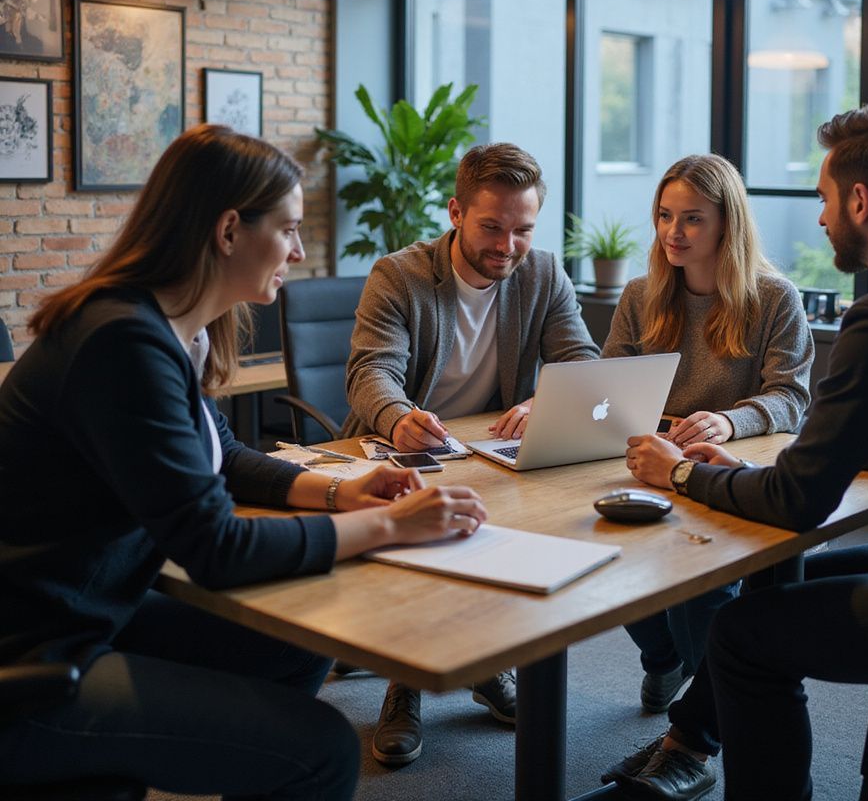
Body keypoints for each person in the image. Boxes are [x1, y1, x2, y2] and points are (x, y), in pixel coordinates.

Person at [0, 125, 487, 799]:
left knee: (301, 637)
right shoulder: (121, 343)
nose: (299, 249)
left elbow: (220, 455)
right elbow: (216, 547)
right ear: (229, 231)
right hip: (32, 654)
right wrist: (394, 526)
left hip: (91, 609)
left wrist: (340, 494)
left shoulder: (171, 326)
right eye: (287, 228)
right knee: (322, 751)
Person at [605, 103, 868, 801]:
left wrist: (680, 472)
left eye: (826, 199)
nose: (822, 217)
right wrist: (746, 469)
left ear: (861, 201)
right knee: (782, 582)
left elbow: (798, 503)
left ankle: (707, 754)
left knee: (743, 637)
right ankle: (688, 742)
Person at [341, 140, 600, 766]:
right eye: (491, 227)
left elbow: (581, 362)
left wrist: (548, 399)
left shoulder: (541, 273)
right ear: (456, 212)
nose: (507, 246)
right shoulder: (398, 274)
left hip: (486, 447)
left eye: (522, 230)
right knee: (428, 524)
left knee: (536, 521)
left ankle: (486, 665)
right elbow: (370, 372)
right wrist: (399, 417)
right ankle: (407, 684)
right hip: (400, 449)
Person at [602, 154, 812, 715]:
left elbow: (791, 396)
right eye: (665, 215)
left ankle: (706, 711)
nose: (674, 232)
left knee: (699, 596)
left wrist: (729, 419)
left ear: (727, 222)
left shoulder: (773, 297)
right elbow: (605, 387)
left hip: (722, 469)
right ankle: (669, 664)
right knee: (600, 560)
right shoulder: (641, 294)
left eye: (692, 218)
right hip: (646, 462)